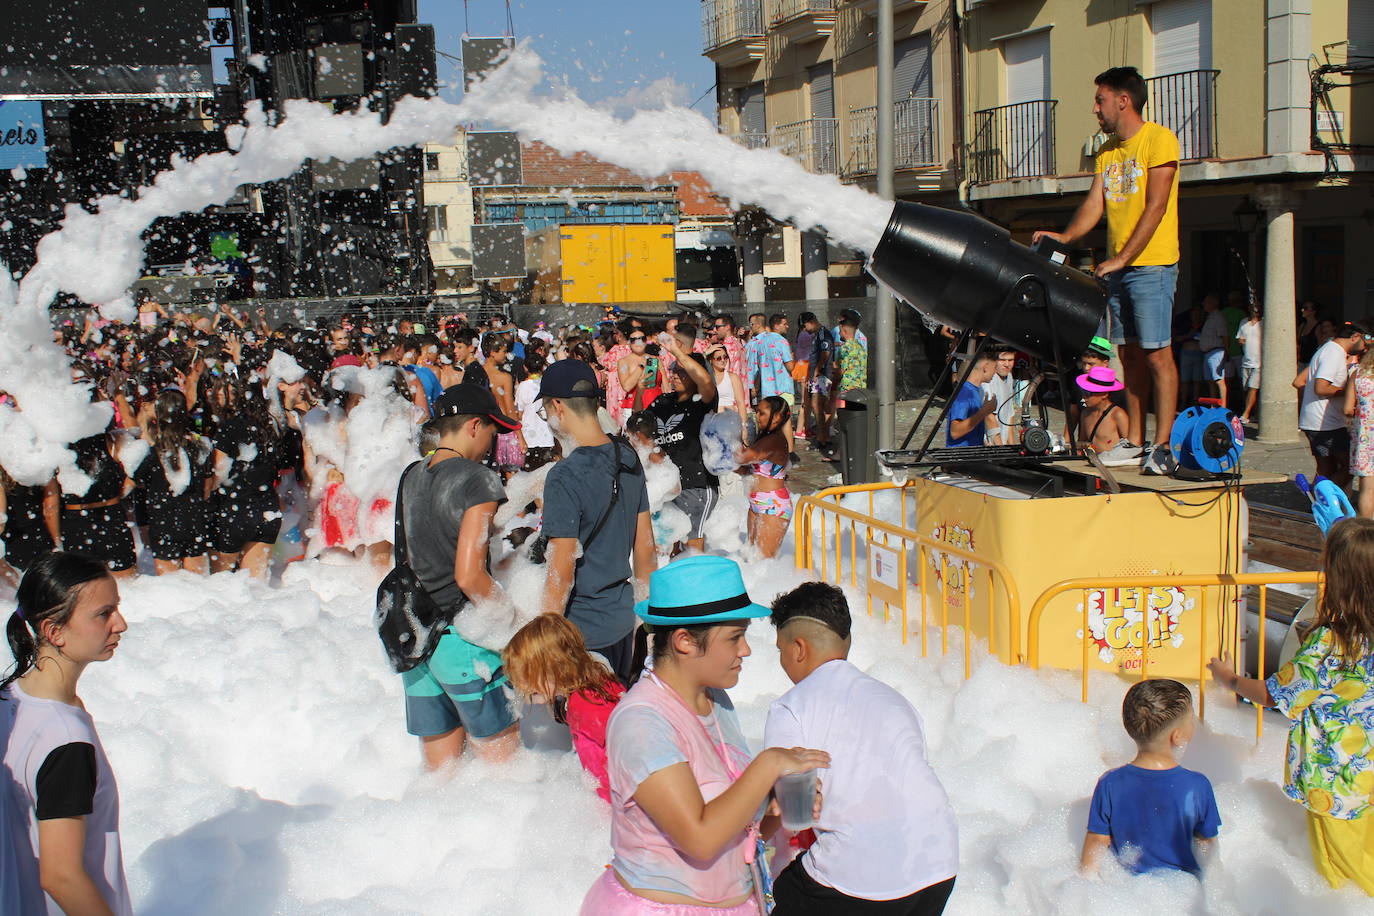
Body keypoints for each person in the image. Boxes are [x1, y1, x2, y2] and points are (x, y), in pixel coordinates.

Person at [581, 556, 829, 915]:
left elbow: (736, 830)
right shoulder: (642, 723)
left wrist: (777, 809)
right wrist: (768, 765)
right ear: (684, 641)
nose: (746, 650)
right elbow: (699, 838)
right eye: (735, 637)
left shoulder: (716, 700)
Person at [765, 582, 958, 915]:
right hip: (939, 864)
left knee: (784, 890)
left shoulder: (791, 708)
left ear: (798, 648)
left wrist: (743, 841)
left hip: (861, 879)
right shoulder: (896, 700)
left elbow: (789, 809)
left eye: (780, 649)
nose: (782, 660)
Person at [1208, 517, 1374, 895]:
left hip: (1335, 782)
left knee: (1345, 876)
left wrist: (1230, 679)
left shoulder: (1330, 644)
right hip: (1369, 776)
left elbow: (1275, 695)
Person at [1033, 66, 1182, 476]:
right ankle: (1135, 439)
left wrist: (1122, 257)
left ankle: (1163, 445)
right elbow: (1095, 205)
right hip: (1120, 268)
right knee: (1128, 354)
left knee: (1157, 354)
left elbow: (1156, 206)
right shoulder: (1108, 151)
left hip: (1152, 263)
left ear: (1123, 100)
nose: (1094, 108)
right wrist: (1064, 238)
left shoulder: (1159, 140)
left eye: (1100, 100)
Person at [392, 383, 522, 769]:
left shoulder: (412, 474)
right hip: (464, 640)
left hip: (413, 639)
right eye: (492, 432)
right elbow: (469, 577)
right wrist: (513, 622)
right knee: (503, 772)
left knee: (441, 777)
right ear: (473, 427)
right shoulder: (476, 478)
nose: (492, 443)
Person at [1, 552, 133, 915]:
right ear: (53, 631)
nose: (120, 624)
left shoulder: (8, 701)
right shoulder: (66, 740)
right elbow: (61, 876)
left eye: (117, 608)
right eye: (104, 613)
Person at [538, 359, 657, 685]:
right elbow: (646, 552)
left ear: (557, 406)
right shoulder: (628, 458)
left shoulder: (563, 475)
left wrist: (547, 639)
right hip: (622, 622)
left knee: (589, 733)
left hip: (582, 633)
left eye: (544, 410)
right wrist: (645, 626)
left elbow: (561, 570)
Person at [1080, 679, 1220, 876]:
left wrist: (1084, 886)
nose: (1193, 723)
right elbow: (1207, 846)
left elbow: (1097, 841)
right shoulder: (1196, 786)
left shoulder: (1110, 783)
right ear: (1177, 736)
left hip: (1127, 891)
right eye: (1191, 719)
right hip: (1183, 894)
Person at [502, 614, 626, 802]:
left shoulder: (588, 705)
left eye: (529, 676)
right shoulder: (594, 682)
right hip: (607, 793)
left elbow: (625, 753)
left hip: (619, 798)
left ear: (556, 667)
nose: (524, 686)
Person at [648, 332, 719, 554]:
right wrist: (643, 386)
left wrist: (676, 351)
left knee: (692, 546)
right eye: (673, 370)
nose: (675, 375)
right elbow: (639, 423)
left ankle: (697, 587)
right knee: (670, 546)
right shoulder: (663, 400)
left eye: (682, 371)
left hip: (695, 485)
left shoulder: (702, 400)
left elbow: (707, 381)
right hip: (667, 485)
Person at [133, 389, 215, 575]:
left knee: (171, 592)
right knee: (199, 587)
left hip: (164, 523)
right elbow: (208, 487)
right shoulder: (200, 447)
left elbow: (137, 483)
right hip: (194, 519)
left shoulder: (151, 453)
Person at [1300, 322, 1366, 489]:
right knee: (1349, 466)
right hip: (1325, 423)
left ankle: (1318, 503)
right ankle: (1321, 500)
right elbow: (1321, 388)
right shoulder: (1333, 353)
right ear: (1355, 337)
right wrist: (1349, 391)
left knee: (1326, 467)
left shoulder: (1329, 349)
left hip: (1320, 420)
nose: (1363, 347)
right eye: (1363, 342)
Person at [739, 396, 792, 559]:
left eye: (762, 413)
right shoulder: (764, 440)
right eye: (757, 412)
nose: (757, 416)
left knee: (765, 561)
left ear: (776, 417)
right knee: (752, 557)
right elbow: (745, 468)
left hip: (773, 505)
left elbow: (742, 457)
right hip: (756, 504)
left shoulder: (775, 440)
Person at [746, 314, 796, 455]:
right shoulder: (781, 341)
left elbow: (755, 368)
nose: (787, 326)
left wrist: (754, 386)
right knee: (785, 421)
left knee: (770, 422)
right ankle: (789, 452)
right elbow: (790, 366)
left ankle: (772, 450)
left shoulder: (759, 343)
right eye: (784, 324)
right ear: (776, 325)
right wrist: (793, 358)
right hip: (783, 387)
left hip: (767, 390)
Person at [945, 354, 997, 448]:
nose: (995, 372)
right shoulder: (965, 393)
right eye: (995, 367)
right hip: (960, 459)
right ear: (985, 367)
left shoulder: (974, 391)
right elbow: (955, 431)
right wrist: (984, 412)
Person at [515, 350, 556, 470]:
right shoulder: (548, 384)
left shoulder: (522, 387)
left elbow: (519, 413)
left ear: (525, 368)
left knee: (530, 474)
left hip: (529, 437)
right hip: (547, 436)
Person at [1076, 367, 1129, 457]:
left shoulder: (1117, 415)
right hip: (1093, 463)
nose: (1084, 397)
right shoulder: (1085, 413)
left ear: (1104, 394)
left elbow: (1129, 446)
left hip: (1113, 464)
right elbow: (1082, 443)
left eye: (1088, 393)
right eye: (1083, 392)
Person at [1347, 340, 1374, 519]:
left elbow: (1347, 408)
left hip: (1366, 436)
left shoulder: (1357, 375)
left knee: (1367, 487)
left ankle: (1366, 531)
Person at [982, 347, 1019, 446]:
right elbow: (989, 416)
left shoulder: (1009, 376)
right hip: (991, 443)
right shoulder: (989, 380)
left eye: (1010, 360)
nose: (1007, 365)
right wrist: (1000, 448)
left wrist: (1012, 445)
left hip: (1003, 440)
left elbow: (1010, 414)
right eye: (1002, 360)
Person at [1198, 294, 1230, 406]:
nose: (1203, 305)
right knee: (1210, 381)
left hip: (1216, 351)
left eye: (1206, 302)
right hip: (1207, 352)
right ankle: (1213, 405)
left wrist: (1226, 352)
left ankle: (1223, 406)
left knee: (1219, 380)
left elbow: (1224, 335)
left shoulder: (1218, 317)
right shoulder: (1209, 317)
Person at [707, 344, 748, 426]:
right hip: (711, 424)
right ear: (711, 360)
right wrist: (706, 353)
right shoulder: (706, 378)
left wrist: (744, 427)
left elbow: (741, 404)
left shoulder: (733, 377)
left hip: (730, 423)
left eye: (725, 357)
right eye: (718, 358)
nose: (723, 360)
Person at [1236, 302, 1263, 425]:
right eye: (1253, 308)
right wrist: (1241, 341)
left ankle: (1245, 414)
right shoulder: (1243, 322)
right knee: (1246, 389)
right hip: (1246, 360)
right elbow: (1240, 338)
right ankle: (1256, 414)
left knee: (1253, 388)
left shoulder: (1264, 323)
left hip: (1259, 362)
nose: (1255, 310)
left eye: (1257, 308)